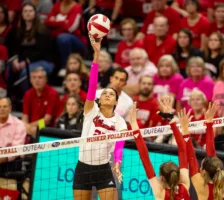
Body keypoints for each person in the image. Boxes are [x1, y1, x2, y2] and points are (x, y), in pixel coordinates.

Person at [73, 35, 127, 200]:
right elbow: (91, 84)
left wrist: (117, 163)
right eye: (105, 93)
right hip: (83, 168)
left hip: (103, 169)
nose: (108, 95)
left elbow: (119, 145)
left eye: (112, 94)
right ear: (100, 99)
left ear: (117, 101)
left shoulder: (120, 121)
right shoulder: (91, 111)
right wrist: (96, 55)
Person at [128, 96, 190, 200]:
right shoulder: (184, 186)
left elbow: (145, 158)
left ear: (161, 178)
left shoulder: (161, 193)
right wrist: (172, 119)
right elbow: (183, 150)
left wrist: (133, 123)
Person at [179, 102, 224, 199]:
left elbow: (192, 159)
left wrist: (185, 130)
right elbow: (210, 155)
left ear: (204, 172)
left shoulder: (202, 187)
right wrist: (208, 122)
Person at [5, 3, 54, 91]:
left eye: (30, 11)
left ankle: (27, 95)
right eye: (25, 11)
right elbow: (13, 48)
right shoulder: (16, 31)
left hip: (42, 60)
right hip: (22, 60)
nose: (28, 13)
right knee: (8, 68)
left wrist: (27, 61)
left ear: (35, 13)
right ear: (22, 14)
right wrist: (14, 59)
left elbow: (42, 52)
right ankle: (10, 94)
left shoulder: (43, 30)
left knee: (26, 72)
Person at [45, 0, 86, 68]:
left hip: (77, 40)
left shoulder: (76, 8)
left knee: (63, 38)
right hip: (58, 36)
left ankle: (65, 67)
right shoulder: (57, 5)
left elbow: (70, 28)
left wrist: (55, 23)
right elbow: (47, 22)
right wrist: (64, 22)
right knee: (46, 36)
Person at [22, 67, 60, 136]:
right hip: (30, 128)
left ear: (45, 79)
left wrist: (30, 126)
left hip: (47, 128)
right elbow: (25, 116)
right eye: (34, 77)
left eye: (40, 77)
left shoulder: (52, 93)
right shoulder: (28, 94)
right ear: (30, 80)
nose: (37, 80)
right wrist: (26, 126)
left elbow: (47, 120)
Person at [0, 97, 26, 193]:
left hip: (11, 161)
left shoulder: (19, 125)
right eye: (0, 107)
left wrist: (2, 158)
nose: (2, 109)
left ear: (10, 108)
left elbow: (16, 150)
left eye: (5, 106)